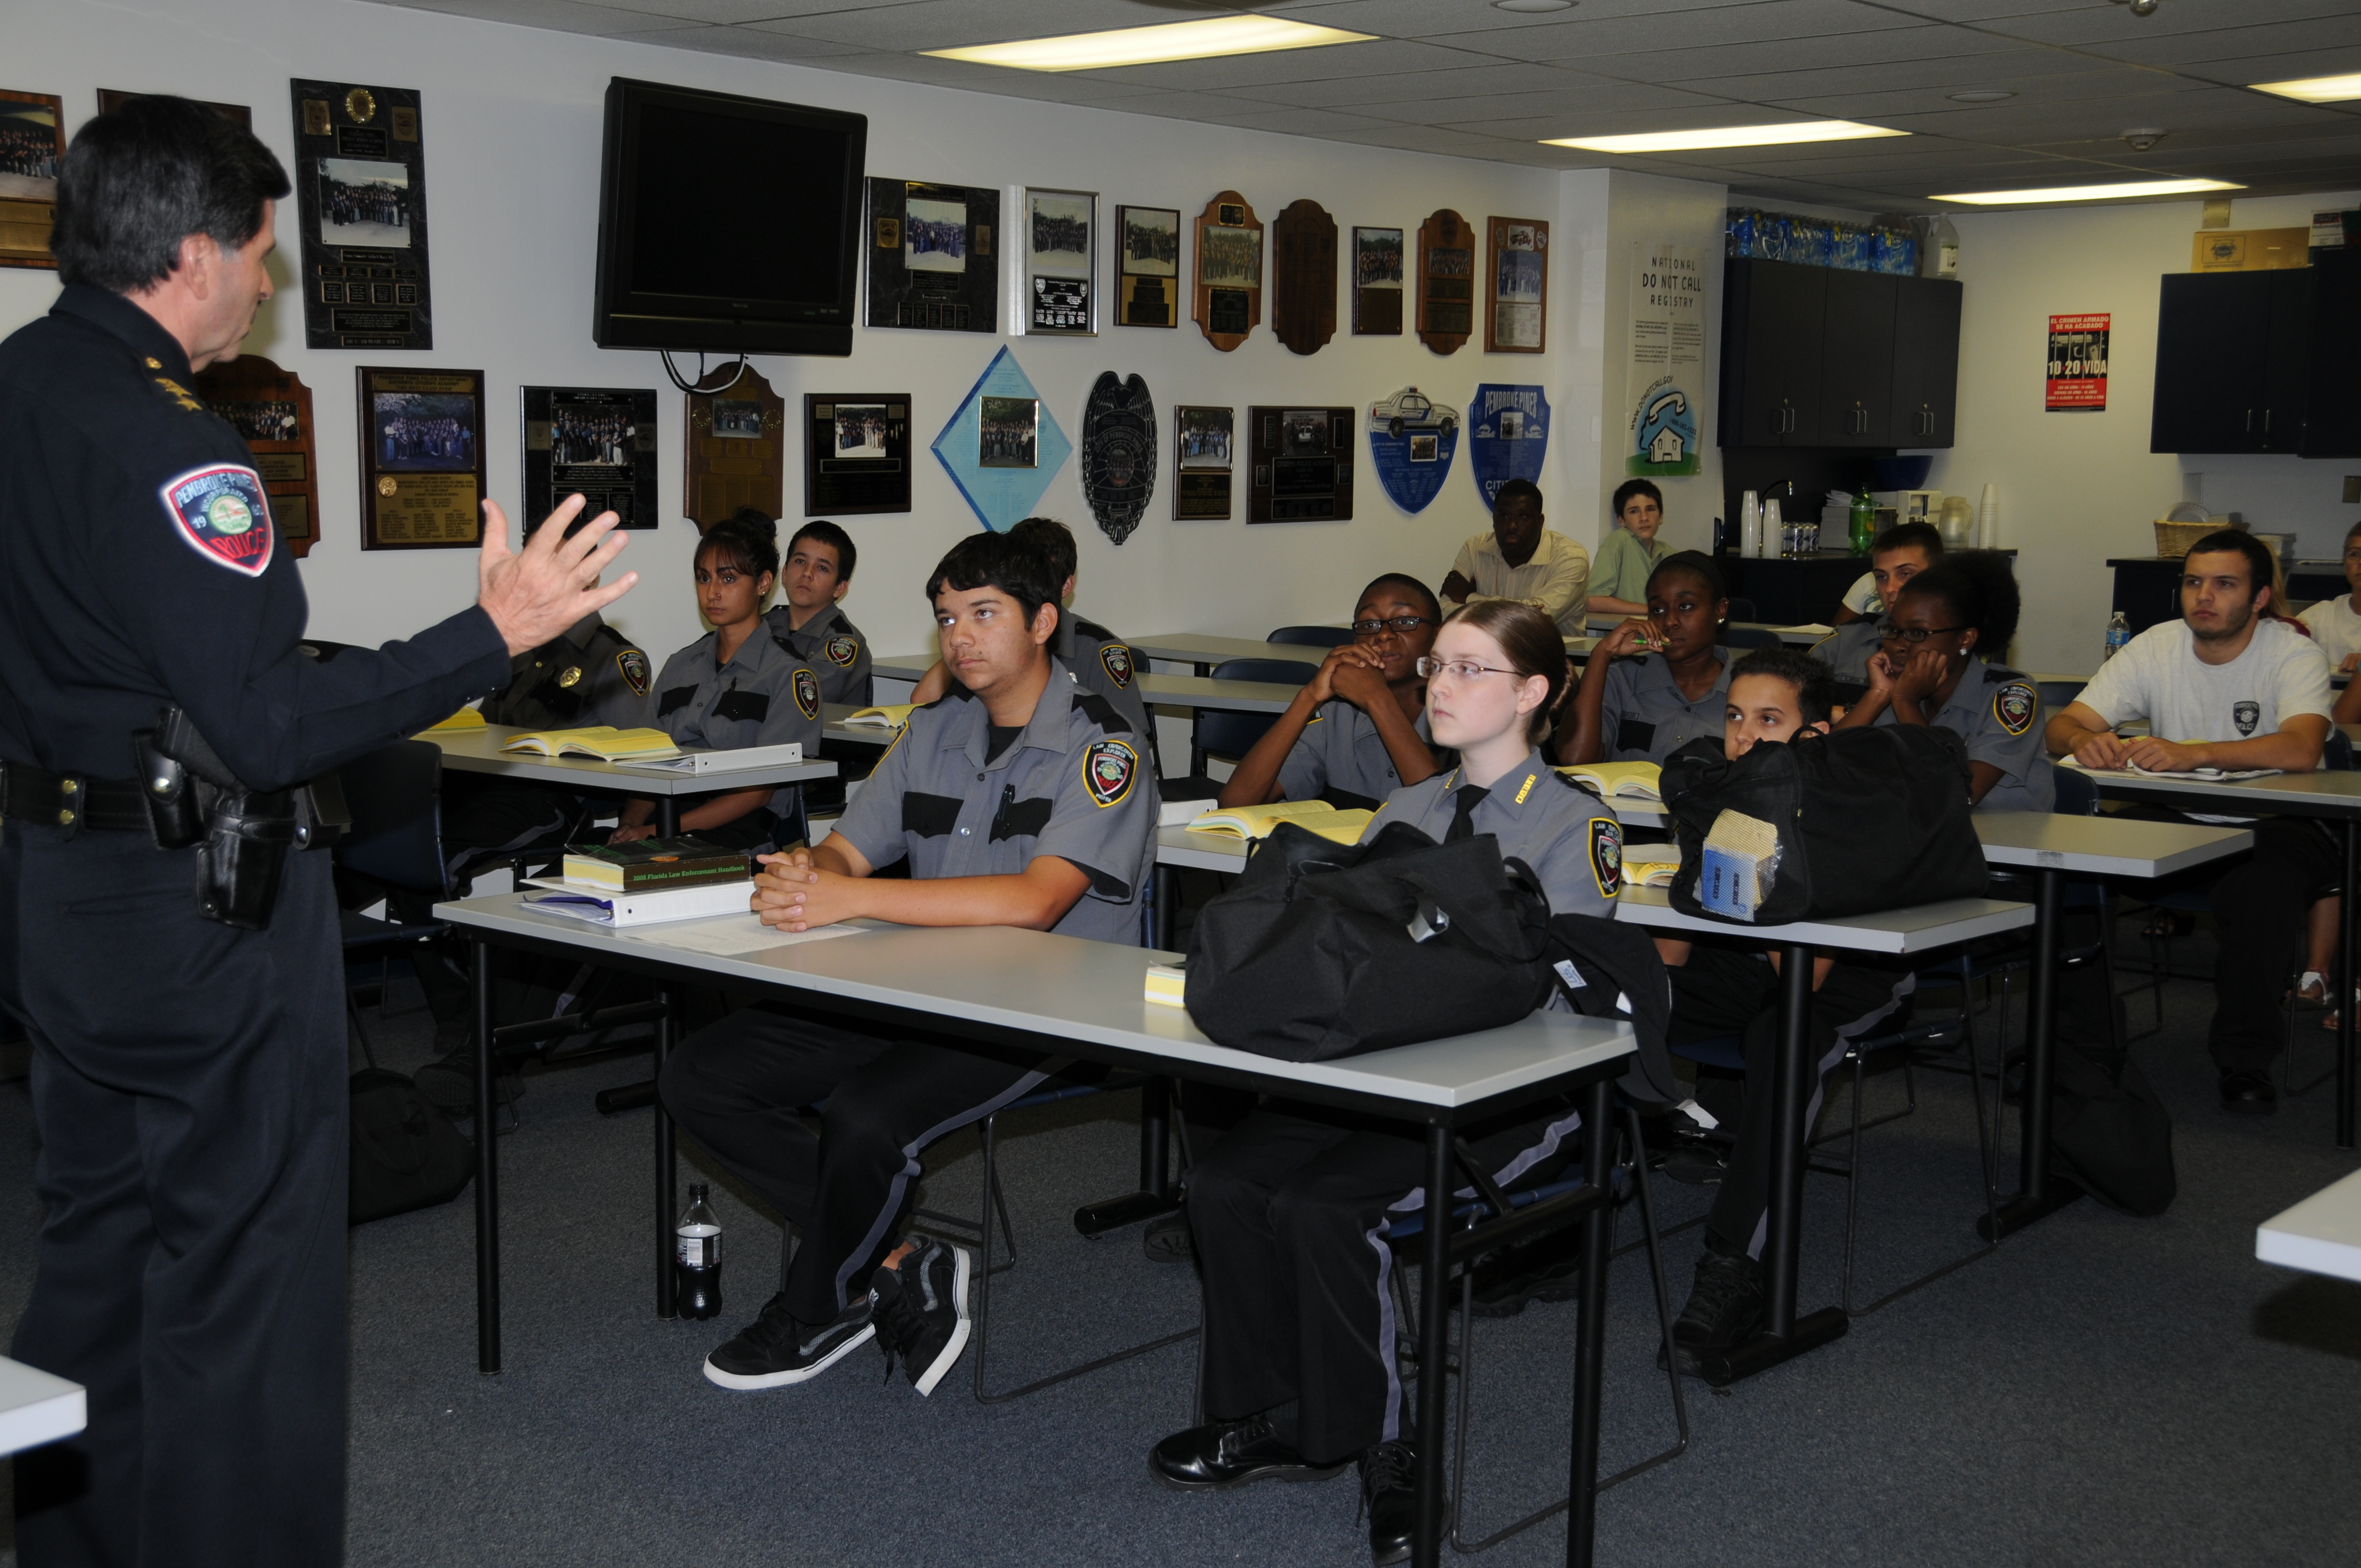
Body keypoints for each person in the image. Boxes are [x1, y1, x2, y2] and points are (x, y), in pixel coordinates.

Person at [0, 95, 639, 1567]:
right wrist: (491, 634)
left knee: (97, 1242)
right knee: (245, 1280)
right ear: (192, 253)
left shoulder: (21, 389)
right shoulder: (172, 445)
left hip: (59, 890)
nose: (267, 280)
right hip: (199, 914)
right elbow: (268, 726)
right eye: (261, 252)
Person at [1150, 600, 1625, 1568]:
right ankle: (1275, 1415)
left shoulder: (1577, 824)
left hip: (1510, 1098)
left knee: (1325, 1207)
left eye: (1468, 669)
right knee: (1224, 1183)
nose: (1437, 685)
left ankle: (1388, 1446)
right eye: (1437, 666)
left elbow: (1559, 995)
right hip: (1378, 1076)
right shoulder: (1407, 811)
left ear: (1532, 692)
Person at [657, 529, 1158, 1397]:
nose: (961, 637)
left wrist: (851, 897)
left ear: (1043, 622)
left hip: (1047, 1007)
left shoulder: (1103, 745)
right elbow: (849, 850)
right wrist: (808, 873)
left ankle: (819, 1304)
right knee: (699, 1076)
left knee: (866, 1116)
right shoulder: (932, 729)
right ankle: (891, 1255)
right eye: (947, 618)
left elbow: (1036, 901)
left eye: (984, 614)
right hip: (916, 982)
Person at [1653, 648, 1918, 1374]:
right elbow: (1674, 956)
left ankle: (1735, 1265)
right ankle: (1559, 1207)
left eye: (1769, 720)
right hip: (1748, 963)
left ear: (1815, 732)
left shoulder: (1837, 808)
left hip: (1843, 978)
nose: (1745, 737)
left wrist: (1751, 831)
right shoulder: (1722, 788)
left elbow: (1800, 974)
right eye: (1735, 718)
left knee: (1785, 1035)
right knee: (1625, 993)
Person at [2044, 530, 2333, 1114]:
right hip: (2177, 814)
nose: (2204, 596)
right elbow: (2061, 725)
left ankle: (2245, 1058)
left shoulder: (2292, 652)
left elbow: (2302, 748)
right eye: (2194, 582)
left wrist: (2195, 752)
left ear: (2258, 598)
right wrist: (2083, 740)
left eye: (2224, 584)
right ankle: (2080, 1042)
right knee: (2073, 858)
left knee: (2260, 885)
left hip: (2276, 819)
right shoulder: (2156, 645)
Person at [613, 510, 823, 851]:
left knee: (652, 871)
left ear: (763, 583)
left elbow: (757, 793)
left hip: (742, 826)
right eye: (703, 578)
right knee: (572, 868)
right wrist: (630, 825)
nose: (712, 592)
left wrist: (656, 830)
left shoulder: (787, 675)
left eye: (728, 579)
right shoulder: (680, 665)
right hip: (669, 817)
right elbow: (647, 762)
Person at [1834, 554, 2055, 812]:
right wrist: (1879, 694)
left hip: (2006, 838)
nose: (1899, 645)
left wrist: (1907, 704)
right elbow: (1823, 768)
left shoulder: (2012, 694)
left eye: (1918, 633)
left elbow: (1959, 794)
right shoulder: (1896, 689)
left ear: (1965, 639)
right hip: (1918, 833)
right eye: (1893, 630)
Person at [1217, 574, 1443, 810]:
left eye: (1405, 621)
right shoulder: (1338, 716)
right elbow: (1234, 804)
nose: (1384, 634)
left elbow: (1441, 816)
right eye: (1368, 625)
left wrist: (1378, 698)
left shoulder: (1461, 715)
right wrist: (1310, 696)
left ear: (1438, 636)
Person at [909, 515, 1149, 739]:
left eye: (983, 613)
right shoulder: (974, 644)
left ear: (1066, 586)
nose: (1031, 584)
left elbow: (1126, 732)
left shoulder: (1096, 648)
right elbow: (923, 701)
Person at [1556, 551, 1734, 767]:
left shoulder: (1746, 690)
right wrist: (1602, 653)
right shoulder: (1622, 679)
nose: (1669, 621)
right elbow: (1574, 760)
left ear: (1720, 610)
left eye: (1685, 606)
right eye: (1657, 609)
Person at [1440, 478, 1590, 636]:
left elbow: (1533, 621)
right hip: (1482, 649)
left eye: (1523, 517)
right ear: (1494, 520)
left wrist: (1470, 598)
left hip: (1550, 651)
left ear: (1540, 522)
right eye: (1504, 516)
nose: (1512, 526)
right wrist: (1522, 611)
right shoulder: (1474, 549)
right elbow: (1444, 611)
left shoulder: (1571, 558)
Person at [1811, 522, 1944, 694]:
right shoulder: (1845, 642)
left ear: (1937, 576)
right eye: (1881, 577)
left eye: (1905, 574)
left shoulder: (1955, 643)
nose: (1890, 588)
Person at [765, 518, 872, 707]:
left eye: (822, 568)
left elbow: (802, 698)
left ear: (840, 587)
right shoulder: (764, 625)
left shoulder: (844, 642)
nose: (807, 573)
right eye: (800, 561)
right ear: (785, 573)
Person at [1586, 477, 1670, 618]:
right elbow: (1593, 601)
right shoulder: (1619, 540)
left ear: (1661, 516)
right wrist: (1650, 610)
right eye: (1634, 511)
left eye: (1650, 509)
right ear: (1621, 520)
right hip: (1624, 629)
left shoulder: (1669, 554)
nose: (1644, 518)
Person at [2299, 519, 2361, 674]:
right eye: (2355, 554)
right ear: (2345, 564)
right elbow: (2283, 643)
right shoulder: (2322, 615)